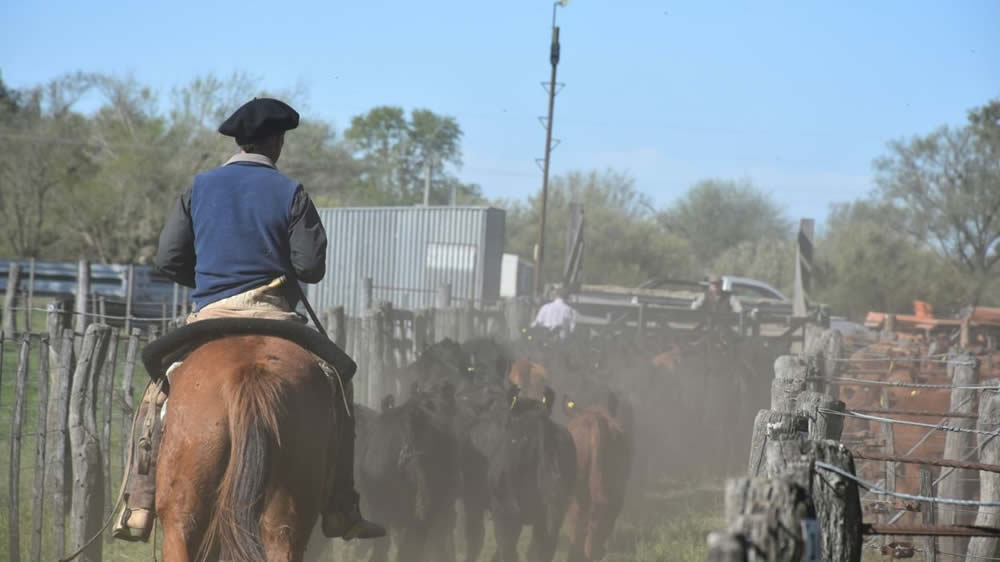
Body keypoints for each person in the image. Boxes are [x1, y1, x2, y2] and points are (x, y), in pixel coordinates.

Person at [113, 98, 385, 542]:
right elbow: (311, 266)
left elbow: (168, 258)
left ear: (239, 141)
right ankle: (341, 506)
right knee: (338, 385)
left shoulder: (198, 188)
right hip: (274, 314)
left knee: (154, 398)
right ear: (276, 142)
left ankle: (139, 504)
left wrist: (205, 278)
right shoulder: (292, 192)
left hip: (212, 316)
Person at [691, 274, 742, 345]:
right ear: (710, 285)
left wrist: (732, 316)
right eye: (713, 284)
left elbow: (739, 309)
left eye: (718, 284)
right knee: (696, 340)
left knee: (735, 341)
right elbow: (694, 308)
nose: (715, 286)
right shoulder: (704, 295)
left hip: (724, 328)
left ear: (721, 284)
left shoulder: (729, 296)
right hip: (705, 326)